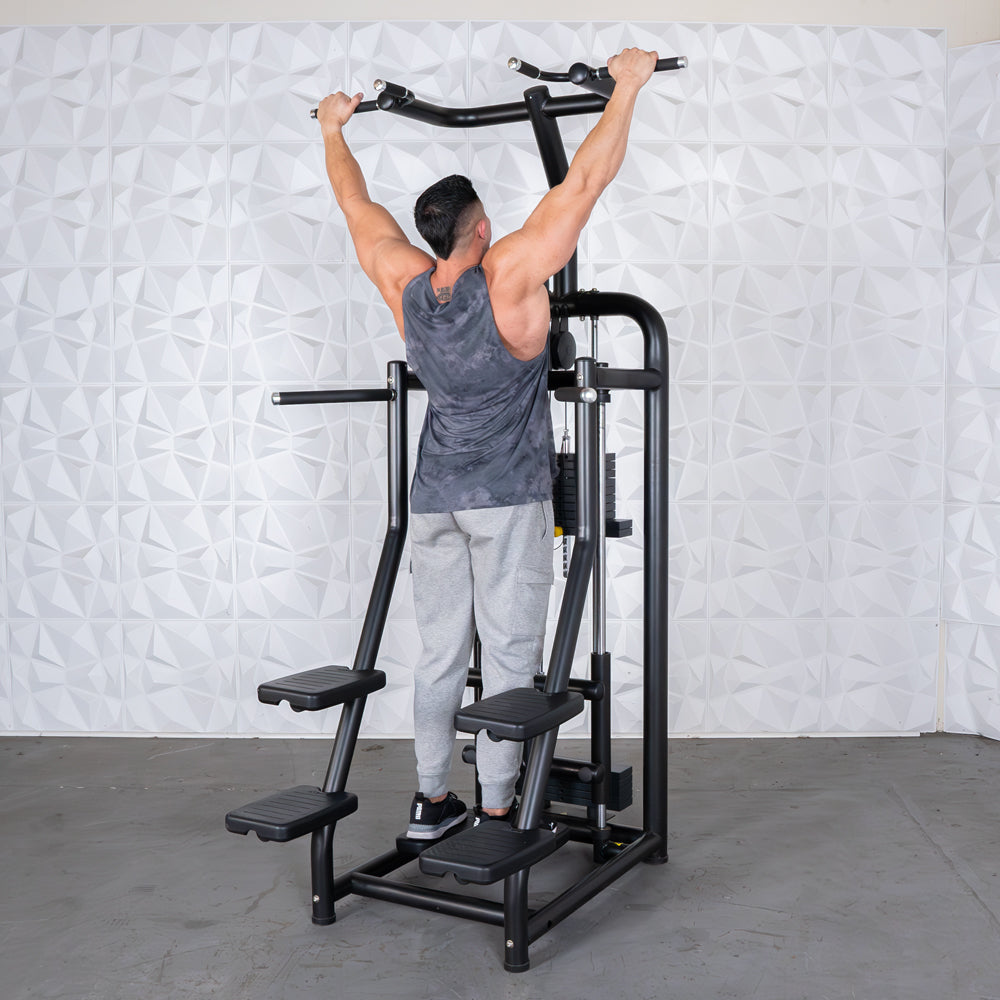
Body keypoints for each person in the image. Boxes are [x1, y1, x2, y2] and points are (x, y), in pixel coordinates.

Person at [315, 47, 658, 838]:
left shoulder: (402, 279)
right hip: (506, 503)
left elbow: (353, 204)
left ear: (432, 235)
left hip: (432, 499)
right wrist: (629, 87)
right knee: (507, 658)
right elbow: (583, 185)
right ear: (484, 228)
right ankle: (499, 808)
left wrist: (335, 128)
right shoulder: (509, 276)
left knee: (439, 653)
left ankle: (432, 798)